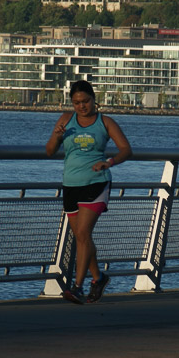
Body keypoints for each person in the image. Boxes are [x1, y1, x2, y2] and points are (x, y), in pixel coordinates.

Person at [45, 80, 132, 304]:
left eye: (85, 101)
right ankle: (99, 278)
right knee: (82, 237)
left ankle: (77, 286)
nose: (82, 106)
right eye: (76, 103)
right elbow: (49, 151)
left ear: (94, 100)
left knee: (83, 234)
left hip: (96, 182)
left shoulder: (105, 122)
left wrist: (109, 162)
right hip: (71, 184)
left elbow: (126, 149)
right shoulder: (66, 120)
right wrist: (57, 135)